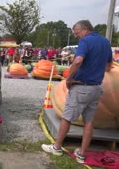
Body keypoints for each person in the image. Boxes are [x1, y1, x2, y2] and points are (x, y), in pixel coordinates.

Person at [41, 20, 113, 163]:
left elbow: (78, 60)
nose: (76, 36)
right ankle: (81, 154)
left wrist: (69, 78)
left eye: (77, 33)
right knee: (89, 121)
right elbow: (109, 65)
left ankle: (56, 147)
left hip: (82, 86)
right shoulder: (105, 42)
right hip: (97, 87)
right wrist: (96, 71)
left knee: (67, 117)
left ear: (85, 29)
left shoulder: (85, 41)